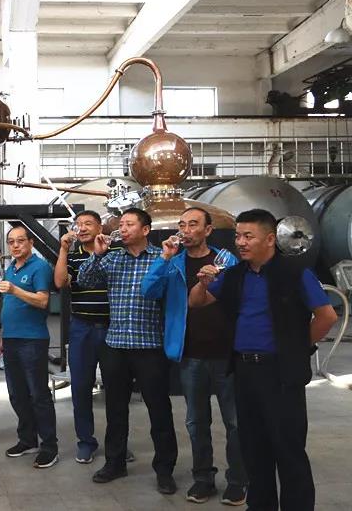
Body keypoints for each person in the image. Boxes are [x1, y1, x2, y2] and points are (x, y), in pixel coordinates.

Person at [189, 209, 337, 511]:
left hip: (280, 373)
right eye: (237, 236)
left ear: (270, 239)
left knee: (288, 450)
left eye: (248, 236)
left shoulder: (295, 273)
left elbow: (327, 316)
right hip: (244, 371)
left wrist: (295, 348)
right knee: (254, 450)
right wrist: (203, 282)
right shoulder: (235, 276)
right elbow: (197, 302)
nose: (240, 242)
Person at [141, 208, 248, 505]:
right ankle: (203, 478)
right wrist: (163, 258)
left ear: (208, 230)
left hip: (226, 354)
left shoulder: (226, 261)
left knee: (235, 422)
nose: (185, 230)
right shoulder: (173, 263)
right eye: (182, 225)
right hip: (191, 354)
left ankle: (238, 480)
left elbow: (240, 298)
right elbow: (148, 291)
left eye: (193, 224)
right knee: (196, 421)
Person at [78, 207, 178, 495]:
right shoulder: (112, 258)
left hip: (150, 346)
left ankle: (164, 470)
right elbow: (84, 281)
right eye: (120, 224)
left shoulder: (163, 257)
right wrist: (97, 255)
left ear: (145, 230)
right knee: (116, 409)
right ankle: (115, 463)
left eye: (129, 224)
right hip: (116, 345)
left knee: (159, 410)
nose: (122, 229)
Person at [0, 224, 58, 468]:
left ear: (31, 243)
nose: (15, 245)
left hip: (32, 340)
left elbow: (42, 301)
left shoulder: (40, 267)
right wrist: (1, 334)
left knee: (38, 394)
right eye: (11, 241)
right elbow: (8, 306)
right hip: (11, 339)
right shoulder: (11, 268)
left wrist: (15, 289)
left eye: (20, 240)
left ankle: (49, 446)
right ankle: (27, 439)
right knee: (17, 393)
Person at [54, 210, 110, 464]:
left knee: (116, 388)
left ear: (100, 227)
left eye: (88, 223)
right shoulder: (73, 255)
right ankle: (86, 441)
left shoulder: (114, 252)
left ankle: (117, 443)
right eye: (78, 225)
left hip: (112, 327)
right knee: (80, 387)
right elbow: (60, 282)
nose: (83, 228)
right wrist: (63, 250)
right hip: (81, 327)